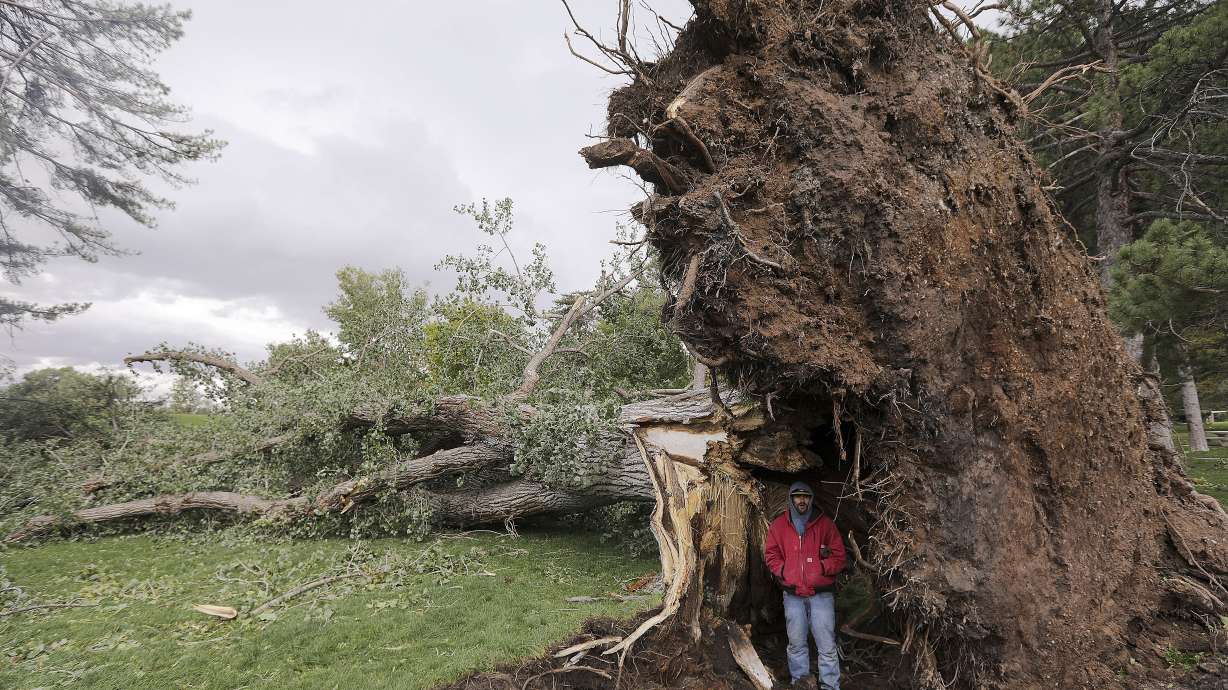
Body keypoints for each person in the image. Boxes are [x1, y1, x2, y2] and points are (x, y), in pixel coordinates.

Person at [764, 481, 847, 690]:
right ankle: (800, 683)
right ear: (791, 499)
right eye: (797, 496)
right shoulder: (779, 526)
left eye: (806, 496)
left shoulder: (825, 524)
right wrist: (784, 571)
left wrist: (820, 567)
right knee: (796, 644)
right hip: (792, 595)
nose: (802, 500)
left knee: (827, 646)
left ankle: (830, 686)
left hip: (821, 595)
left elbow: (839, 557)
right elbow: (771, 555)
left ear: (811, 499)